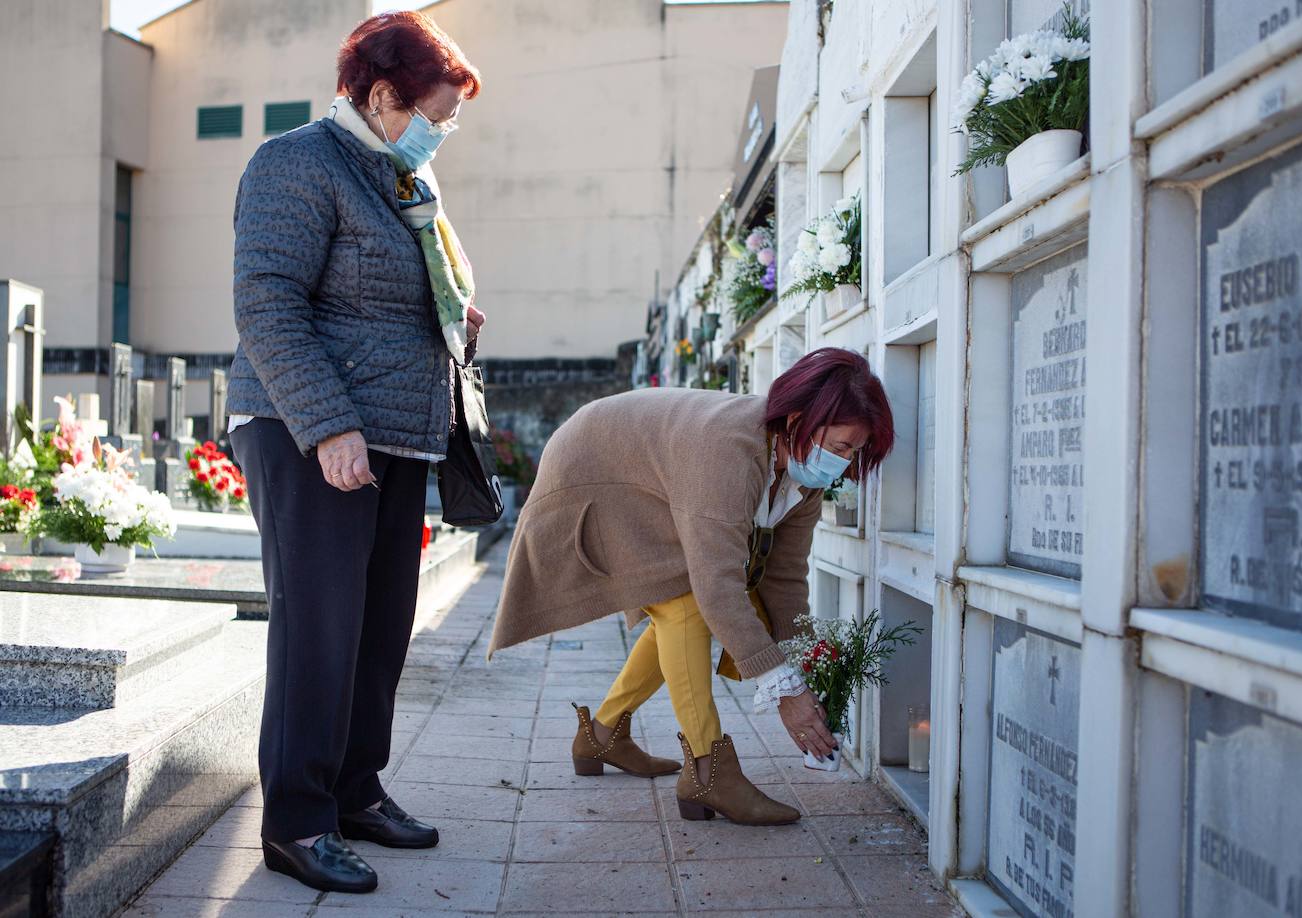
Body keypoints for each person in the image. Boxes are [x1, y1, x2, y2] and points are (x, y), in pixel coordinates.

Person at [226, 11, 485, 894]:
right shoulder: (296, 162)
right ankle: (297, 822)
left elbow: (393, 295)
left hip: (399, 433)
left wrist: (449, 313)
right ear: (382, 96)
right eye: (437, 115)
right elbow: (266, 300)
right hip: (311, 431)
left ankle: (353, 791)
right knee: (320, 627)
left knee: (379, 627)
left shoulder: (400, 180)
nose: (442, 132)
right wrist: (329, 425)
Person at [489, 348, 894, 825]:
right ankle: (708, 770)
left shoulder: (802, 478)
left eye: (855, 453)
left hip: (645, 469)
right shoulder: (730, 448)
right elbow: (718, 586)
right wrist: (783, 691)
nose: (844, 464)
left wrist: (803, 666)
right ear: (802, 419)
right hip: (596, 470)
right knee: (685, 605)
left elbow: (785, 577)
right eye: (843, 446)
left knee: (676, 607)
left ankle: (601, 735)